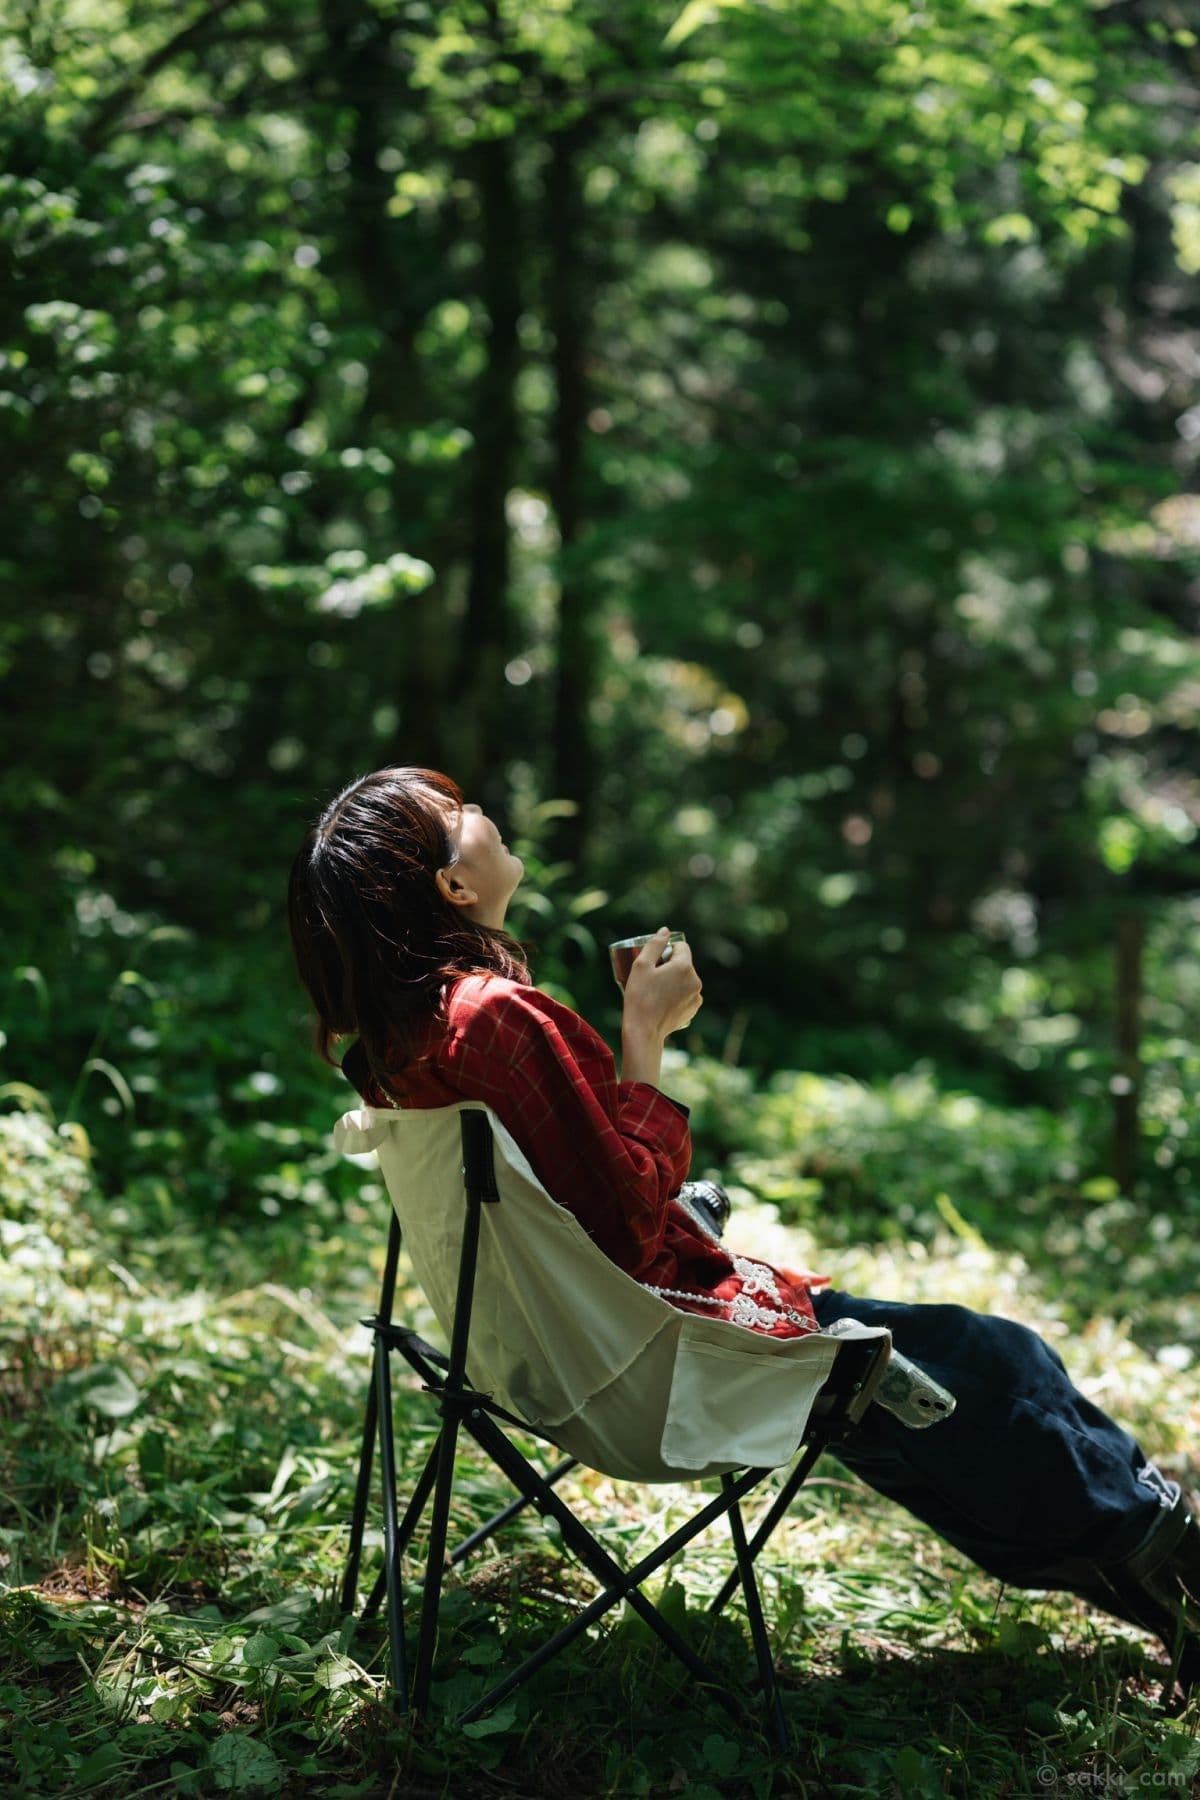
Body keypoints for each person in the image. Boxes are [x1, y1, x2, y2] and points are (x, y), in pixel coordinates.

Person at [288, 764, 1200, 1692]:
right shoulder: (491, 1018)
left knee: (937, 1403)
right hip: (651, 1360)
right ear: (452, 884)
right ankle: (1177, 1570)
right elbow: (624, 1222)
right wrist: (647, 1034)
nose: (482, 810)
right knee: (998, 1364)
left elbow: (569, 1207)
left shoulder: (402, 1045)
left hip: (536, 1357)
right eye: (461, 815)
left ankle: (1155, 1581)